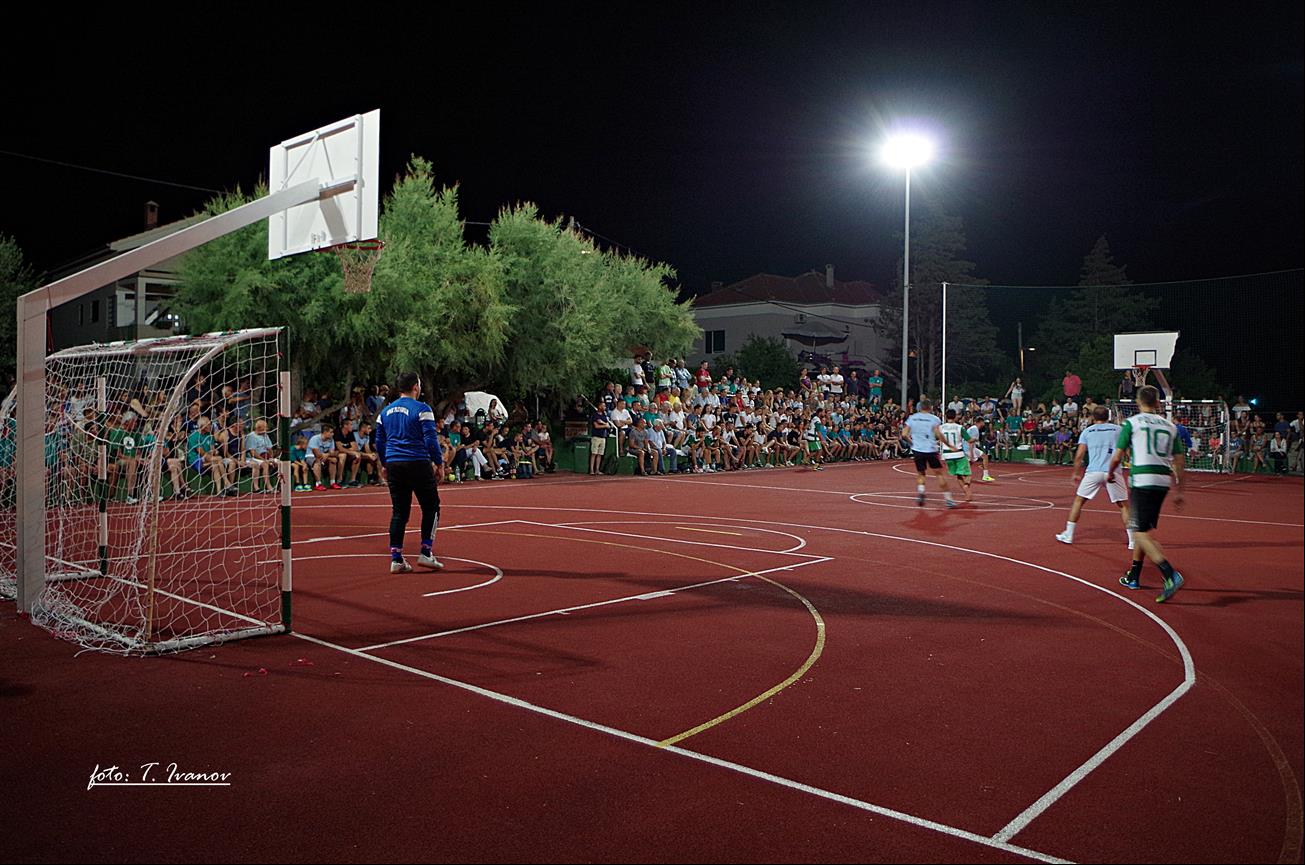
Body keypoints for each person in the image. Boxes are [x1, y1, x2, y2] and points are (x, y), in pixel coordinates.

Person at [1107, 386, 1186, 603]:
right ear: (1158, 402)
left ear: (1138, 401)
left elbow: (1118, 455)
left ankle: (1169, 573)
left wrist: (1110, 473)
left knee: (1139, 532)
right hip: (1162, 481)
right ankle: (1134, 575)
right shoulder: (1170, 426)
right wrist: (1180, 491)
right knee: (1143, 529)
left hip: (1142, 479)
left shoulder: (1132, 423)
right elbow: (1179, 460)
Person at [375, 372, 444, 574]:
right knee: (431, 506)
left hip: (395, 463)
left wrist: (385, 464)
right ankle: (426, 551)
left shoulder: (384, 413)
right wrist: (439, 463)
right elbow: (431, 439)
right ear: (415, 387)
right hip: (417, 461)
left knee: (399, 511)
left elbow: (379, 441)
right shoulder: (422, 409)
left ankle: (396, 558)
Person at [1056, 406, 1133, 548]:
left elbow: (1079, 455)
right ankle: (1133, 540)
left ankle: (1069, 534)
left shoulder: (1087, 431)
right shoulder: (1118, 429)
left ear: (1093, 417)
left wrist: (1075, 472)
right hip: (1113, 471)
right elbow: (1127, 450)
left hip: (1093, 471)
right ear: (1108, 416)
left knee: (1079, 501)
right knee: (1123, 506)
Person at [902, 398, 955, 507]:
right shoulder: (934, 419)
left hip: (918, 450)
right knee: (939, 474)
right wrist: (949, 445)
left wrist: (912, 443)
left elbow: (904, 434)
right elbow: (938, 434)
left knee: (921, 473)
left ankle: (921, 492)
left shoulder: (913, 418)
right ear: (930, 407)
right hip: (930, 449)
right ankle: (948, 499)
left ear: (920, 407)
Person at [938, 409, 973, 504]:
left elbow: (936, 437)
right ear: (955, 416)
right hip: (958, 453)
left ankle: (966, 493)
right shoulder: (959, 427)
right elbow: (969, 440)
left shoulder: (941, 428)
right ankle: (966, 486)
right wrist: (974, 439)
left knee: (958, 475)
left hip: (947, 455)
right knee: (968, 474)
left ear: (945, 416)